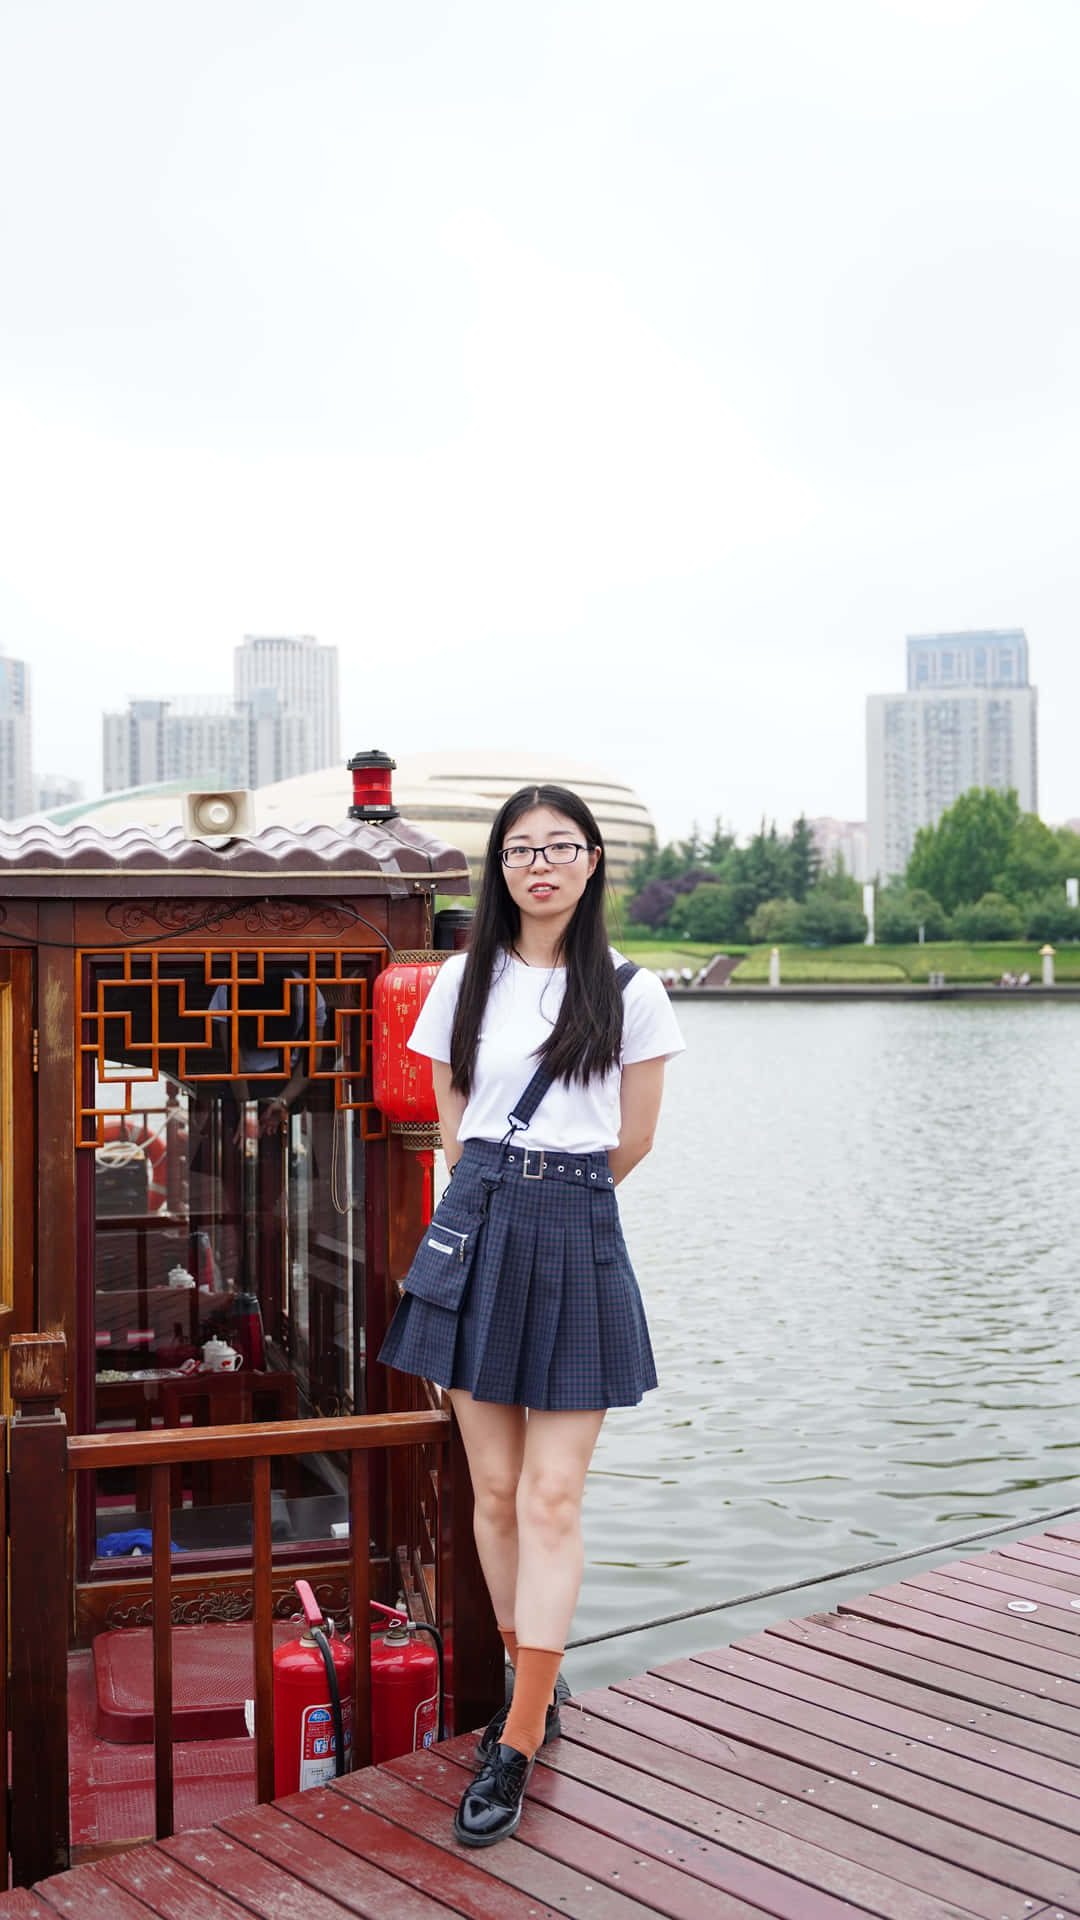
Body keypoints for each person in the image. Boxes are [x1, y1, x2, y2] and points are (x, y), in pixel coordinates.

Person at [378, 783, 684, 1846]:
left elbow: (633, 1138)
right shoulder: (464, 980)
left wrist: (554, 1209)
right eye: (519, 849)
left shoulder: (632, 991)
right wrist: (490, 1197)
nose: (539, 864)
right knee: (498, 1492)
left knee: (554, 1497)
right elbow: (452, 1109)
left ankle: (513, 1739)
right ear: (498, 867)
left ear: (593, 862)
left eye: (559, 847)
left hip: (577, 1228)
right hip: (479, 1222)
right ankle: (530, 1679)